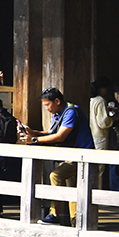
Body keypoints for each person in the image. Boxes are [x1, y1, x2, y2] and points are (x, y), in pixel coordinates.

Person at [19, 87, 94, 225]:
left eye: (48, 104)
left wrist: (34, 140)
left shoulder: (71, 111)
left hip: (82, 154)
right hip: (71, 154)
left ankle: (54, 214)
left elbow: (60, 136)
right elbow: (51, 132)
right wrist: (33, 132)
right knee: (73, 190)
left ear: (57, 101)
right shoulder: (59, 113)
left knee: (56, 175)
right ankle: (76, 222)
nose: (47, 108)